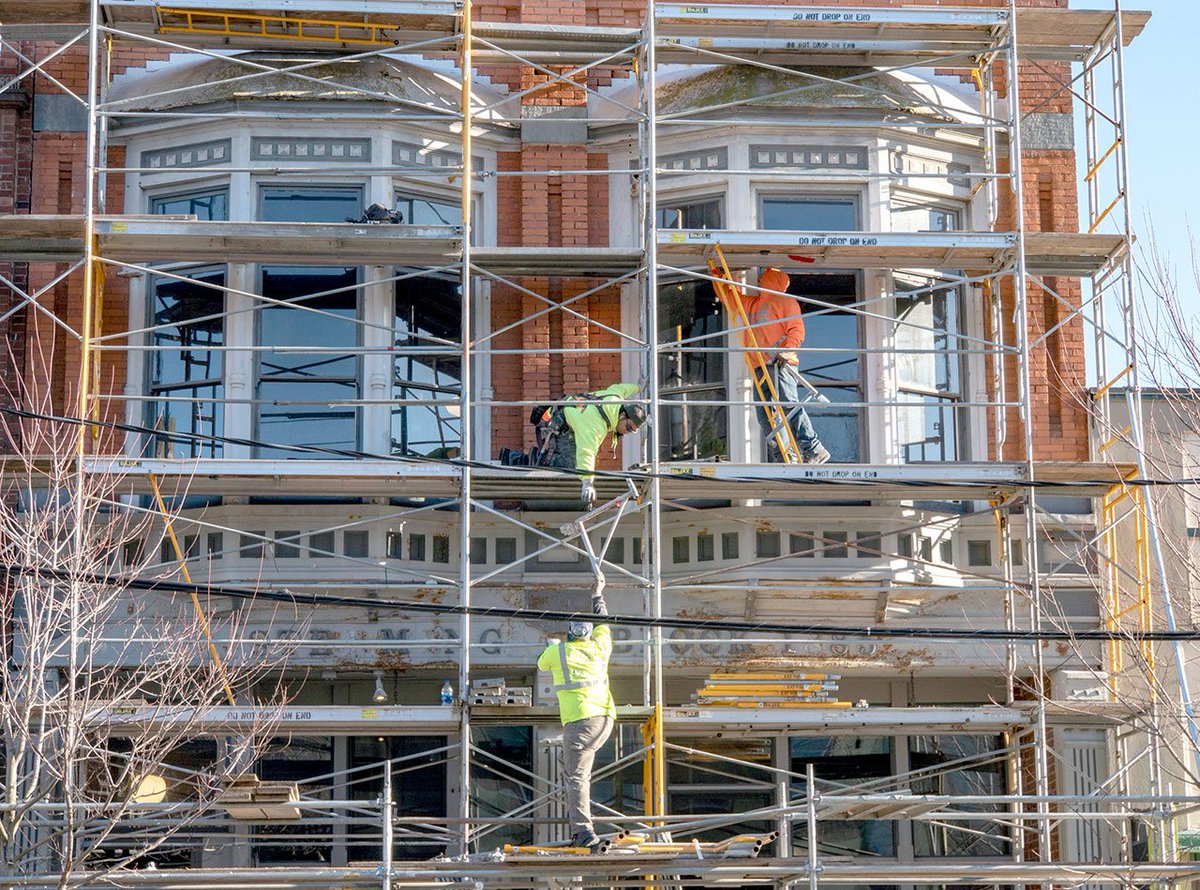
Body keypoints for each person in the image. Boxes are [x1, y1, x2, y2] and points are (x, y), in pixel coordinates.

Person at [536, 581, 615, 849]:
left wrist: (551, 643)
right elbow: (604, 623)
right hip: (604, 720)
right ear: (589, 635)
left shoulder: (559, 651)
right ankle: (582, 824)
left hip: (580, 721)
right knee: (576, 771)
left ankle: (583, 832)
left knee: (577, 777)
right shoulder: (600, 647)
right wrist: (597, 596)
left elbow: (540, 663)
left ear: (570, 634)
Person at [741, 267, 831, 465]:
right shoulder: (753, 304)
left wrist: (787, 351)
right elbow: (730, 297)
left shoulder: (785, 301)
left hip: (780, 363)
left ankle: (814, 449)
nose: (758, 282)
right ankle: (783, 455)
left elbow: (796, 330)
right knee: (765, 415)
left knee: (788, 404)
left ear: (769, 280)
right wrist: (717, 275)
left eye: (762, 279)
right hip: (761, 367)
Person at [535, 382, 647, 508]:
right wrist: (587, 483)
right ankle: (512, 459)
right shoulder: (595, 425)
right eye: (628, 427)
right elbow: (586, 452)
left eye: (632, 431)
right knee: (565, 465)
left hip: (563, 417)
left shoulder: (614, 398)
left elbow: (623, 388)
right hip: (551, 424)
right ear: (622, 415)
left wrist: (639, 387)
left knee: (572, 463)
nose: (627, 432)